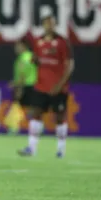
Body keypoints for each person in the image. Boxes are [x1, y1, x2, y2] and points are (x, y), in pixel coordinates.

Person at [18, 15, 74, 158]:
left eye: (52, 23)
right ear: (43, 25)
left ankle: (61, 150)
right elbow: (38, 60)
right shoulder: (38, 42)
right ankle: (31, 148)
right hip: (41, 86)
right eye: (47, 23)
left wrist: (60, 85)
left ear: (55, 25)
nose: (50, 25)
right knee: (36, 114)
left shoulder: (62, 42)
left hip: (58, 88)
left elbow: (69, 65)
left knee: (60, 118)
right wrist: (34, 60)